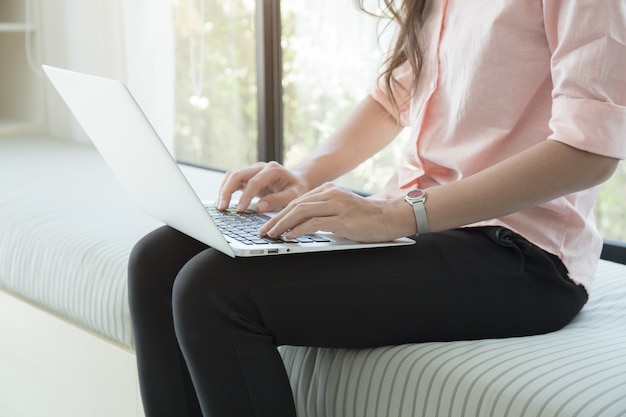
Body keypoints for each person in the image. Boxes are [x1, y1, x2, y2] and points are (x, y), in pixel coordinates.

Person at [128, 1, 626, 416]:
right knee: (157, 260)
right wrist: (305, 175)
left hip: (522, 252)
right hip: (418, 222)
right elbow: (394, 100)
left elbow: (588, 153)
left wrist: (396, 215)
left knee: (215, 292)